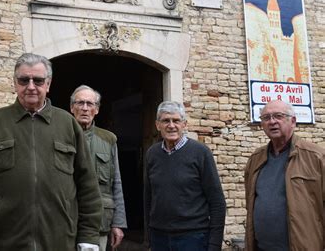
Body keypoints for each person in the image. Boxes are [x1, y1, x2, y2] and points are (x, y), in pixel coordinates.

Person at [0, 53, 102, 251]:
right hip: (6, 242)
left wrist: (89, 237)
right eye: (23, 80)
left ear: (48, 84)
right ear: (14, 83)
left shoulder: (67, 124)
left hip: (61, 242)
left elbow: (87, 186)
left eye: (38, 80)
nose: (30, 86)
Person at [144, 101, 226, 251]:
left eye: (176, 120)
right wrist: (148, 239)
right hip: (159, 238)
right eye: (165, 121)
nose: (171, 125)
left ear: (184, 124)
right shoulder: (152, 154)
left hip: (193, 238)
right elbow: (148, 199)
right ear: (158, 125)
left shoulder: (200, 153)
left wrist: (214, 245)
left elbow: (217, 202)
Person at [244, 99, 325, 250]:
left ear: (293, 121)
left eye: (278, 116)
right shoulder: (255, 159)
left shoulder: (316, 157)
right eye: (266, 118)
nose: (272, 122)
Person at [70, 85, 127, 251]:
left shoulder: (109, 139)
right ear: (72, 107)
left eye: (90, 104)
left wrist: (118, 223)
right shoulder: (59, 135)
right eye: (80, 103)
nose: (85, 108)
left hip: (99, 222)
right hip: (65, 221)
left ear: (97, 109)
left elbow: (116, 183)